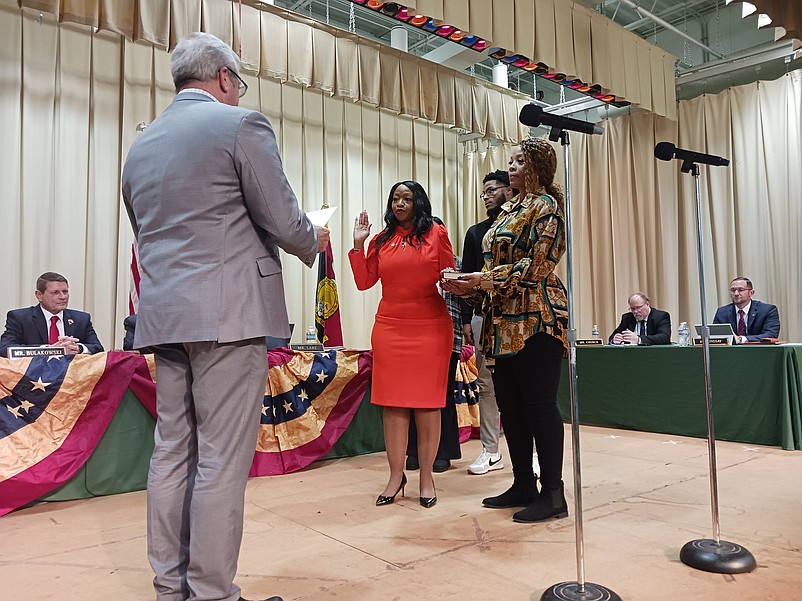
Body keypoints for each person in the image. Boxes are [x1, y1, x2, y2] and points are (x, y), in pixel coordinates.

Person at [121, 32, 327, 601]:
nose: (238, 92)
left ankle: (171, 587)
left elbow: (149, 237)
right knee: (219, 457)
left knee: (172, 451)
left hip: (164, 316)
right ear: (224, 78)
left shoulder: (140, 147)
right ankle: (212, 592)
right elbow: (284, 221)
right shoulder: (241, 125)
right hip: (229, 314)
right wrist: (316, 236)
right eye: (239, 83)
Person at [443, 138, 569, 524]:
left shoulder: (547, 207)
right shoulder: (508, 209)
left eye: (518, 162)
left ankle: (553, 493)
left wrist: (481, 279)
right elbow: (492, 263)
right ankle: (522, 485)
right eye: (510, 161)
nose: (510, 167)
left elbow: (536, 269)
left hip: (537, 320)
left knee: (539, 406)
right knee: (511, 409)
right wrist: (467, 285)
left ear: (536, 168)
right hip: (501, 321)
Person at [349, 181, 455, 509]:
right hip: (390, 328)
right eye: (395, 198)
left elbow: (449, 274)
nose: (399, 204)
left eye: (406, 199)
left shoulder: (435, 233)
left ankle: (426, 477)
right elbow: (365, 282)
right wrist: (357, 244)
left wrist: (460, 280)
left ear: (418, 203)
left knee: (427, 405)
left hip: (429, 329)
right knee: (392, 404)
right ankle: (396, 477)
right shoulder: (381, 240)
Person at [460, 170, 511, 476]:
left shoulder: (520, 225)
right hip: (483, 316)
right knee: (486, 385)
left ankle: (530, 451)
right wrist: (467, 319)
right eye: (484, 192)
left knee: (519, 385)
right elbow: (466, 278)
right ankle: (491, 451)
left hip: (518, 316)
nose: (488, 196)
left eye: (493, 189)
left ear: (509, 189)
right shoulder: (475, 232)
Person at [406, 253, 463, 474]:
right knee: (411, 397)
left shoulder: (455, 263)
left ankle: (442, 451)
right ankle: (414, 451)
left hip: (449, 337)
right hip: (414, 339)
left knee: (444, 397)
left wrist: (467, 322)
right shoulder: (412, 260)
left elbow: (466, 297)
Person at [0, 271, 104, 357]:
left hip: (72, 376)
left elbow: (98, 348)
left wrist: (78, 348)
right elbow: (5, 349)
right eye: (55, 292)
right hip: (34, 377)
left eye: (65, 291)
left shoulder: (81, 319)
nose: (63, 297)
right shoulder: (20, 318)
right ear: (39, 295)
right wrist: (49, 350)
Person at [713, 277, 780, 343]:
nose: (736, 293)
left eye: (740, 290)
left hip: (758, 351)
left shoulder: (767, 310)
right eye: (733, 290)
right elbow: (715, 336)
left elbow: (771, 334)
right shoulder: (721, 312)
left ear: (751, 292)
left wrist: (742, 339)